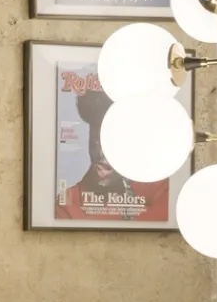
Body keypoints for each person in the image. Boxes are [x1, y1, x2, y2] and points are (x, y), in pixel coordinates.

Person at [55, 87, 169, 221]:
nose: (100, 154)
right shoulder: (68, 206)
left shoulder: (161, 191)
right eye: (95, 141)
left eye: (111, 143)